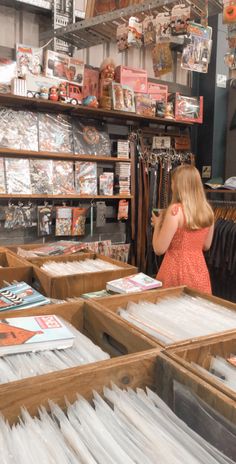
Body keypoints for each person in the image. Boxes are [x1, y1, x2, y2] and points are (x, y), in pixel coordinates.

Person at [152, 165, 214, 294]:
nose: (171, 186)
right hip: (199, 271)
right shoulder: (208, 211)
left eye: (173, 182)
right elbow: (206, 245)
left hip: (175, 270)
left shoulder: (175, 211)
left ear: (179, 186)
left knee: (172, 311)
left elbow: (159, 249)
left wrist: (158, 224)